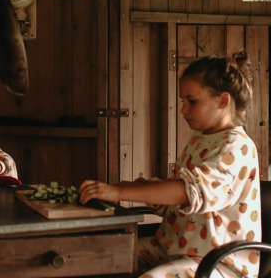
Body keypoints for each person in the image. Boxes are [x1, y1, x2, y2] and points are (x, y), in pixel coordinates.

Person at [79, 50, 261, 278]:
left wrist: (120, 192)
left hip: (217, 263)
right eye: (183, 101)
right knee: (96, 256)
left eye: (192, 101)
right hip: (171, 249)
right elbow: (176, 200)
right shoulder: (200, 139)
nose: (183, 109)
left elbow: (188, 192)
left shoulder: (237, 146)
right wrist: (131, 188)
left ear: (223, 100)